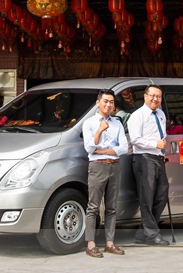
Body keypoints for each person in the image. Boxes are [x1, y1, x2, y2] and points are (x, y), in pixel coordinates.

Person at [82, 89, 129, 258]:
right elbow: (89, 148)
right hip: (97, 167)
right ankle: (91, 244)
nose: (108, 105)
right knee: (93, 206)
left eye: (111, 102)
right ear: (98, 102)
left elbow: (124, 147)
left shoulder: (117, 123)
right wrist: (100, 130)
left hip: (115, 166)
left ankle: (110, 243)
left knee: (111, 207)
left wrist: (104, 151)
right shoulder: (89, 123)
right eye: (105, 101)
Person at [126, 84, 170, 246]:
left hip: (158, 158)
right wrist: (155, 145)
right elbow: (135, 139)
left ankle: (142, 233)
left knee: (162, 195)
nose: (155, 99)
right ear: (145, 97)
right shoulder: (137, 116)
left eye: (158, 96)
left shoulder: (160, 114)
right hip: (144, 159)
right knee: (147, 197)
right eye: (152, 95)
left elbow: (162, 137)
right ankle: (152, 235)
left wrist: (161, 152)